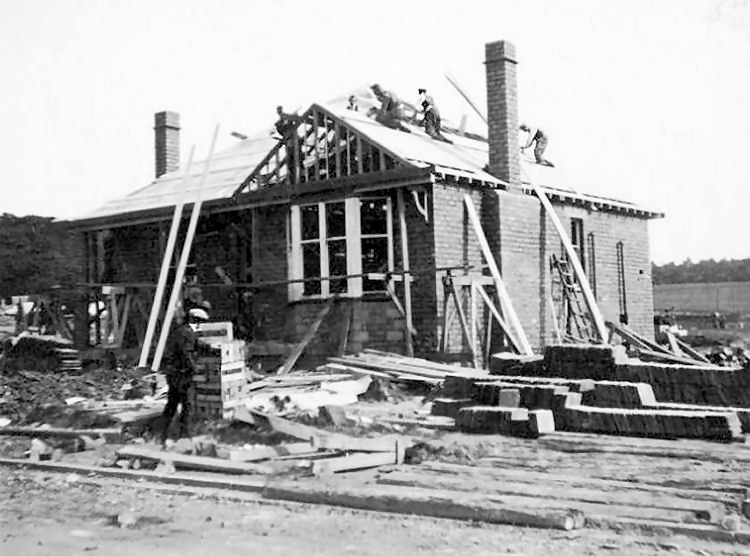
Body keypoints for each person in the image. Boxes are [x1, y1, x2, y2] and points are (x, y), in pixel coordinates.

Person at [159, 306, 208, 443]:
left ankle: (164, 435)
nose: (201, 326)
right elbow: (186, 352)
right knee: (185, 405)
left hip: (176, 374)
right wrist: (195, 367)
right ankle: (182, 435)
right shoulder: (186, 333)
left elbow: (196, 344)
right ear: (195, 320)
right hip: (179, 375)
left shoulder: (184, 332)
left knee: (172, 404)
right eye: (200, 322)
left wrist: (213, 348)